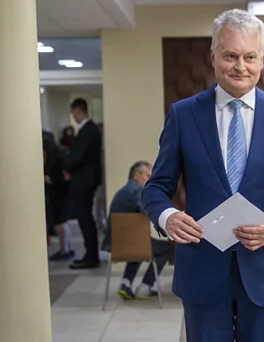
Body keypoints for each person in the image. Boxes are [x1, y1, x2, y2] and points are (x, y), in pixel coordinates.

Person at [141, 9, 264, 342]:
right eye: (230, 56)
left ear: (261, 59)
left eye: (250, 56)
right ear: (213, 57)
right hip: (202, 274)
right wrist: (167, 216)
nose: (241, 66)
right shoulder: (184, 114)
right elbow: (155, 189)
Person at [105, 161, 172, 299]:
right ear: (136, 175)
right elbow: (148, 210)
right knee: (167, 248)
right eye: (148, 176)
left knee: (142, 245)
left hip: (117, 244)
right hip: (131, 243)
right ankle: (145, 287)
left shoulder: (123, 191)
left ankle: (126, 283)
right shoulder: (137, 191)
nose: (150, 180)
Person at [65, 98, 102, 269]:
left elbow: (77, 156)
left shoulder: (87, 130)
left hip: (84, 180)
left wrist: (66, 167)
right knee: (85, 217)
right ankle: (90, 254)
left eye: (74, 114)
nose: (74, 117)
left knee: (84, 217)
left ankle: (91, 255)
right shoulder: (90, 129)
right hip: (88, 179)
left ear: (78, 111)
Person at [43, 134, 73, 260]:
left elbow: (64, 177)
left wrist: (50, 180)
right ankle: (66, 248)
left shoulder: (57, 158)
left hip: (59, 193)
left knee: (59, 222)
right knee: (62, 222)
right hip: (61, 193)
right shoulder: (60, 155)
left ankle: (64, 250)